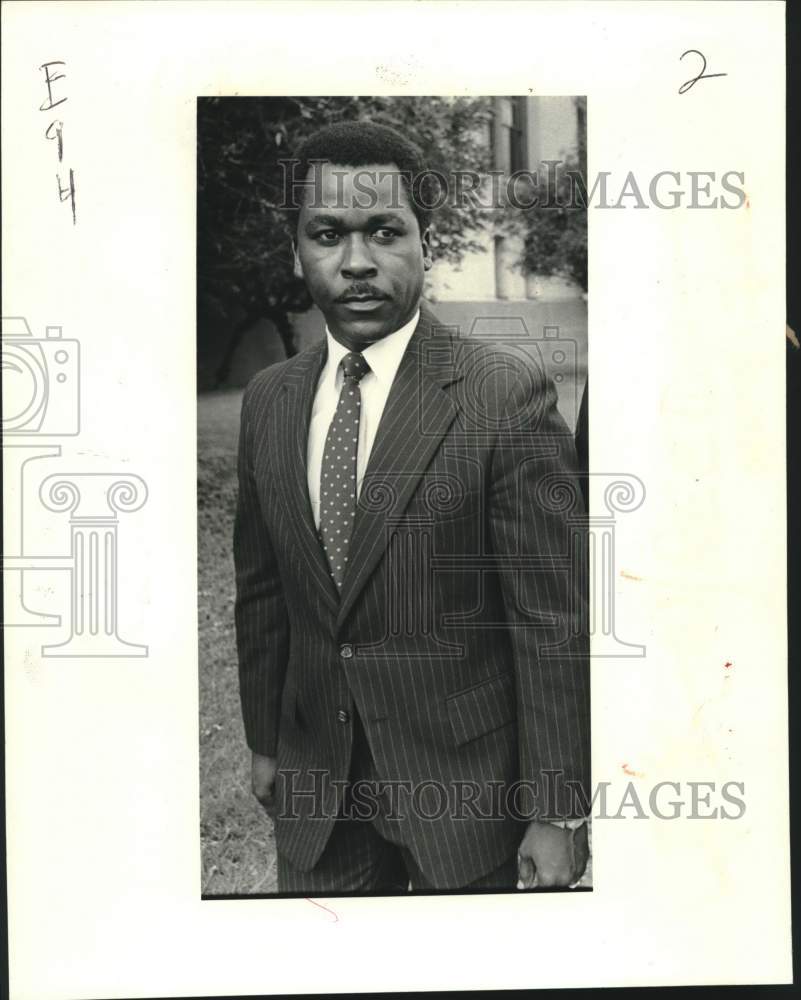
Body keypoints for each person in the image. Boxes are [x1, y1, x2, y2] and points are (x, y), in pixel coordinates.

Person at [234, 121, 590, 893]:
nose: (356, 262)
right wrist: (266, 741)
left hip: (465, 801)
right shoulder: (268, 400)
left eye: (384, 232)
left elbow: (550, 619)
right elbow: (263, 593)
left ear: (425, 242)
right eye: (327, 234)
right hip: (319, 796)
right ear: (296, 249)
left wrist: (556, 810)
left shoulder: (502, 396)